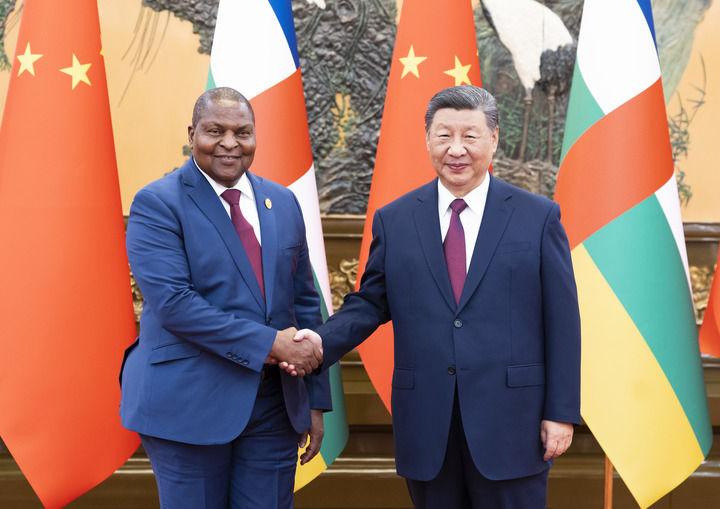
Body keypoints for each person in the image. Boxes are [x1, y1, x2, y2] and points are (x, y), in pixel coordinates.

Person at [292, 85, 581, 508]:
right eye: (444, 135)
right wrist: (319, 341)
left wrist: (560, 412)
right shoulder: (396, 220)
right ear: (428, 139)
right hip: (428, 424)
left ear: (493, 139)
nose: (456, 149)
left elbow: (563, 321)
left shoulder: (537, 217)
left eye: (470, 136)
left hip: (512, 423)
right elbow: (370, 303)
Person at [120, 87, 328, 509]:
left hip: (273, 406)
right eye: (215, 131)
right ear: (192, 134)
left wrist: (315, 399)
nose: (230, 143)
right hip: (188, 404)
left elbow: (305, 304)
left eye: (242, 132)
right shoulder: (158, 203)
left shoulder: (283, 202)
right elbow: (176, 304)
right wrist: (270, 344)